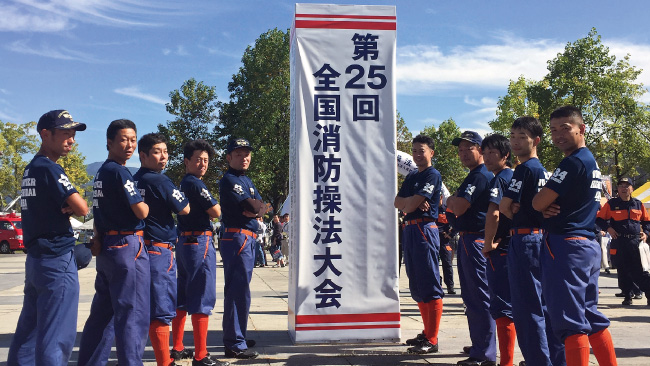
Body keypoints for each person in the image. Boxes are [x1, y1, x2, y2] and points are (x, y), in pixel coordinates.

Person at [532, 106, 617, 366]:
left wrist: (543, 204)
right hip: (586, 245)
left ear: (581, 129)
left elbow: (538, 202)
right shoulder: (589, 160)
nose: (558, 135)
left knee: (570, 322)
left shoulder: (572, 162)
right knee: (590, 316)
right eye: (553, 130)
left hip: (566, 245)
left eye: (565, 128)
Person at [8, 110, 89, 366]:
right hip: (57, 260)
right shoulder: (51, 169)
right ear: (45, 134)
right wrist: (73, 205)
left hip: (36, 260)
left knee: (29, 332)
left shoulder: (30, 168)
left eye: (73, 135)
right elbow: (83, 208)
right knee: (56, 336)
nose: (71, 140)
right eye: (65, 133)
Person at [78, 119, 151, 366]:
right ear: (109, 142)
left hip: (108, 246)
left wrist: (98, 238)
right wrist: (147, 204)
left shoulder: (101, 172)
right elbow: (141, 212)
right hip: (127, 245)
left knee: (103, 314)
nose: (129, 145)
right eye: (123, 139)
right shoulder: (121, 172)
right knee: (133, 313)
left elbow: (97, 211)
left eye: (133, 140)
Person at [500, 117, 565, 366]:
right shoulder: (543, 171)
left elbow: (505, 207)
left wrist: (514, 207)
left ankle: (538, 360)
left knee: (527, 309)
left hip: (525, 240)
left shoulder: (525, 169)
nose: (515, 141)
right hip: (542, 239)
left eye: (522, 136)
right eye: (513, 135)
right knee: (545, 306)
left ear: (536, 141)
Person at [133, 133, 192, 366]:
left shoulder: (132, 180)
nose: (164, 156)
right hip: (159, 249)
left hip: (138, 248)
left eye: (166, 151)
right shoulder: (160, 180)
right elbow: (184, 208)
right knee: (161, 308)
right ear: (143, 155)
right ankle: (163, 362)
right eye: (158, 152)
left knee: (140, 307)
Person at [172, 139, 228, 366]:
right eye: (198, 160)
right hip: (199, 242)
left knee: (183, 296)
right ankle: (201, 354)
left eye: (206, 160)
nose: (203, 164)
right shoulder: (196, 184)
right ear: (187, 161)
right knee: (202, 296)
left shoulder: (183, 184)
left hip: (184, 241)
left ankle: (177, 346)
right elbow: (215, 211)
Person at [446, 131, 496, 366]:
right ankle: (480, 344)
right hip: (469, 240)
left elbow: (459, 207)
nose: (463, 154)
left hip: (476, 240)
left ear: (481, 150)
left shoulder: (480, 176)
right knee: (472, 297)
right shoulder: (474, 175)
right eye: (460, 150)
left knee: (479, 298)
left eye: (469, 149)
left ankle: (484, 353)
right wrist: (453, 201)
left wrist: (450, 201)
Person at [394, 134, 443, 355]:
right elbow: (398, 202)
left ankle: (432, 339)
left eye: (421, 150)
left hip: (425, 229)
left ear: (431, 152)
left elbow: (410, 202)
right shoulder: (413, 175)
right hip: (410, 228)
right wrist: (410, 203)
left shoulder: (432, 175)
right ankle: (426, 331)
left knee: (429, 282)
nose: (416, 154)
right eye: (413, 150)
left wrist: (410, 202)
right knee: (417, 284)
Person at [219, 138, 268, 359]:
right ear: (229, 157)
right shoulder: (229, 180)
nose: (244, 157)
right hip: (237, 236)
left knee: (242, 291)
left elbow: (263, 207)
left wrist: (259, 208)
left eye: (247, 153)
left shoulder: (246, 180)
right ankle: (234, 342)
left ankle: (238, 334)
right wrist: (257, 208)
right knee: (237, 290)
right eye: (239, 154)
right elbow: (252, 206)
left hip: (246, 237)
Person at [480, 134, 516, 366]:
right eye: (485, 152)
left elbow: (494, 213)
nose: (487, 157)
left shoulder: (501, 179)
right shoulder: (514, 176)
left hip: (502, 248)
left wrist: (488, 242)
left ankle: (507, 361)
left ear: (505, 155)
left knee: (502, 306)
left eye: (493, 152)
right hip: (519, 246)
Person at [596, 177, 650, 306]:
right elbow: (599, 219)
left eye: (627, 186)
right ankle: (627, 295)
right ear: (617, 189)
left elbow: (647, 222)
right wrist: (608, 228)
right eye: (621, 186)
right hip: (618, 241)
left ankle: (648, 294)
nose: (624, 188)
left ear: (631, 189)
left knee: (641, 270)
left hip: (635, 242)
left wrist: (646, 234)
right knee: (623, 269)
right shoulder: (611, 204)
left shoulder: (638, 204)